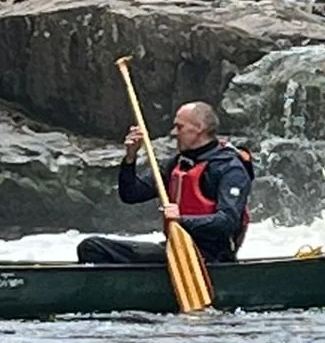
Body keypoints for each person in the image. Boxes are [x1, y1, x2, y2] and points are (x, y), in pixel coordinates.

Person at [77, 101, 253, 266]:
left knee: (93, 247)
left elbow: (228, 222)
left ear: (200, 128)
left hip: (210, 256)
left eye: (180, 127)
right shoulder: (178, 163)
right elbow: (131, 194)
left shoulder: (229, 168)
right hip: (176, 249)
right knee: (91, 248)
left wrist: (181, 220)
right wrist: (130, 158)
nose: (174, 133)